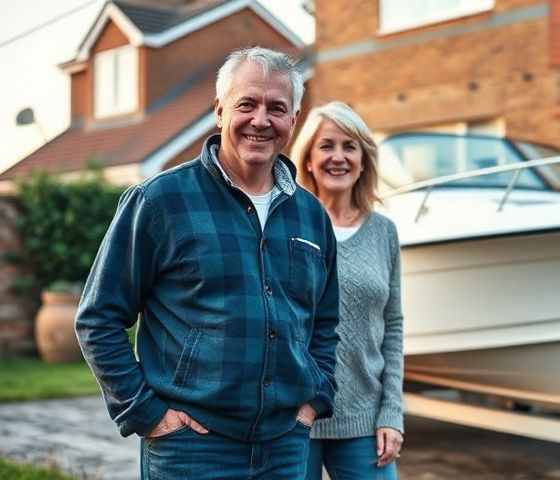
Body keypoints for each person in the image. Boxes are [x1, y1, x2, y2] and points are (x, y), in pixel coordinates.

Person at [75, 47, 340, 479]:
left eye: (277, 108)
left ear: (292, 120)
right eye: (246, 104)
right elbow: (98, 318)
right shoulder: (159, 202)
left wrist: (313, 402)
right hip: (191, 450)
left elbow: (325, 323)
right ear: (219, 111)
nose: (260, 120)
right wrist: (147, 414)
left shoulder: (311, 215)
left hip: (285, 449)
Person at [290, 102, 404, 480]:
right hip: (293, 419)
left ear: (363, 159)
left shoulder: (383, 232)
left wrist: (392, 413)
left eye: (349, 146)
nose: (338, 157)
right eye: (326, 146)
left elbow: (393, 328)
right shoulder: (287, 225)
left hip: (364, 422)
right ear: (307, 159)